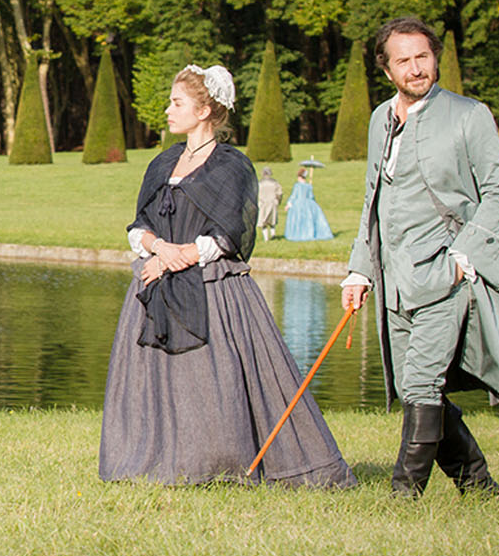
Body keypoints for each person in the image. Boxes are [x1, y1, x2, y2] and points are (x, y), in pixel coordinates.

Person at [100, 64, 354, 488]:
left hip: (213, 288)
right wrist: (159, 250)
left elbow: (229, 235)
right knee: (154, 381)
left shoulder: (231, 166)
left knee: (213, 381)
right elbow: (138, 225)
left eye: (176, 103)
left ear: (203, 111)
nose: (168, 110)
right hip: (154, 284)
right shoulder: (163, 162)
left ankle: (220, 463)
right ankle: (152, 461)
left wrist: (176, 256)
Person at [341, 17, 499, 497]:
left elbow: (497, 192)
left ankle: (403, 496)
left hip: (445, 277)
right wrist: (359, 271)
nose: (416, 68)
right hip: (393, 283)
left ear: (435, 58)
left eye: (423, 57)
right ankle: (480, 487)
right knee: (413, 388)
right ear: (386, 70)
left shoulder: (469, 115)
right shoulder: (379, 119)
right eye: (404, 60)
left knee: (422, 386)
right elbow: (372, 201)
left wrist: (463, 259)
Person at [283, 166, 334, 241]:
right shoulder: (309, 186)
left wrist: (288, 205)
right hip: (309, 205)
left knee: (298, 220)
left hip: (298, 204)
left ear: (299, 177)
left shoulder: (297, 186)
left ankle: (299, 234)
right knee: (308, 220)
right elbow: (311, 197)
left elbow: (294, 196)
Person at [256, 167, 284, 241]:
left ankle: (266, 238)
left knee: (263, 222)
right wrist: (278, 201)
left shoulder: (259, 183)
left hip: (263, 204)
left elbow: (256, 193)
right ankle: (273, 234)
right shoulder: (275, 183)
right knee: (272, 220)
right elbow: (280, 193)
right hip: (272, 203)